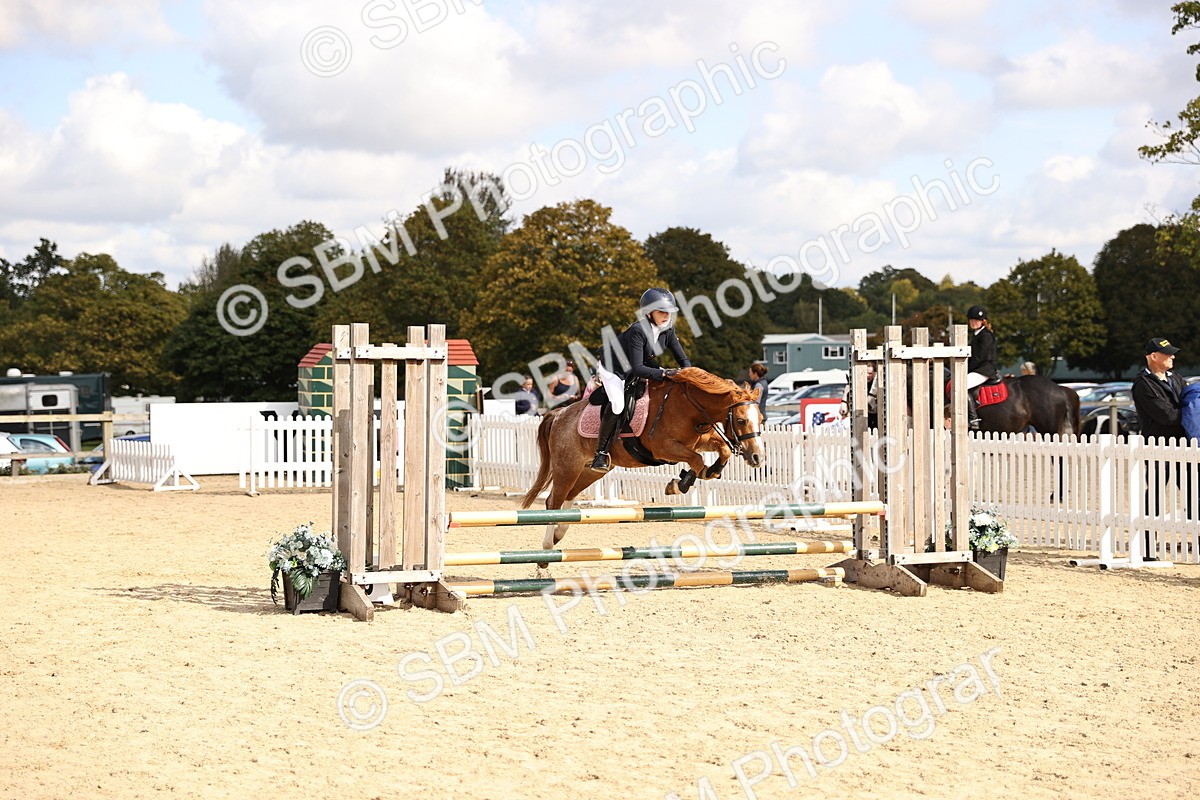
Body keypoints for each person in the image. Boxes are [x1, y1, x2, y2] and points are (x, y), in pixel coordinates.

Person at [589, 288, 691, 472]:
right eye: (661, 311)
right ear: (648, 312)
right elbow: (637, 369)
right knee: (618, 404)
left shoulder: (668, 330)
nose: (666, 315)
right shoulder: (638, 330)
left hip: (640, 363)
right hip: (614, 368)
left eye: (669, 312)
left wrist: (691, 375)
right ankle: (600, 453)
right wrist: (665, 373)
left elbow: (682, 359)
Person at [1131, 336, 1193, 558]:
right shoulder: (1143, 385)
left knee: (1194, 493)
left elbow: (1187, 403)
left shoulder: (1176, 378)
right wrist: (1191, 415)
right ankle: (1148, 547)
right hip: (1158, 447)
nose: (1173, 357)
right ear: (1154, 356)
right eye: (1168, 354)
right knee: (1155, 497)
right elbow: (1166, 415)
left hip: (1183, 446)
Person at [965, 305, 998, 430]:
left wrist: (965, 369)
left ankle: (973, 419)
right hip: (979, 368)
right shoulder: (977, 334)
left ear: (983, 321)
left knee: (961, 386)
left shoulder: (986, 335)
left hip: (984, 370)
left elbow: (979, 358)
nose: (973, 322)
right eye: (971, 320)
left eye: (976, 320)